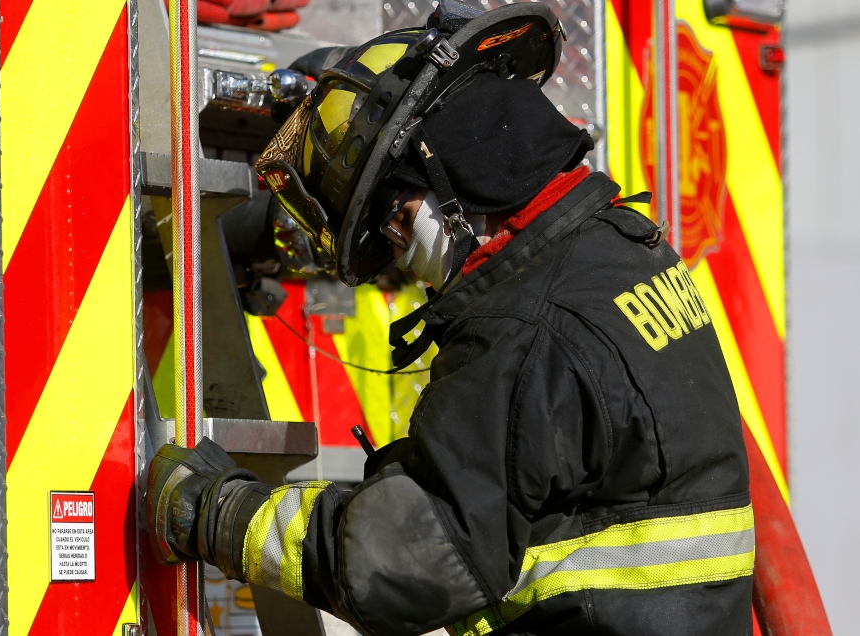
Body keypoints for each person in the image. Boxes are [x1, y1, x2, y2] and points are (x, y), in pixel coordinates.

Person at [147, 3, 754, 634]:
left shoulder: (524, 328)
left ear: (459, 173)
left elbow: (408, 559)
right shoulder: (616, 247)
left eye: (398, 219)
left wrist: (216, 512)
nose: (404, 258)